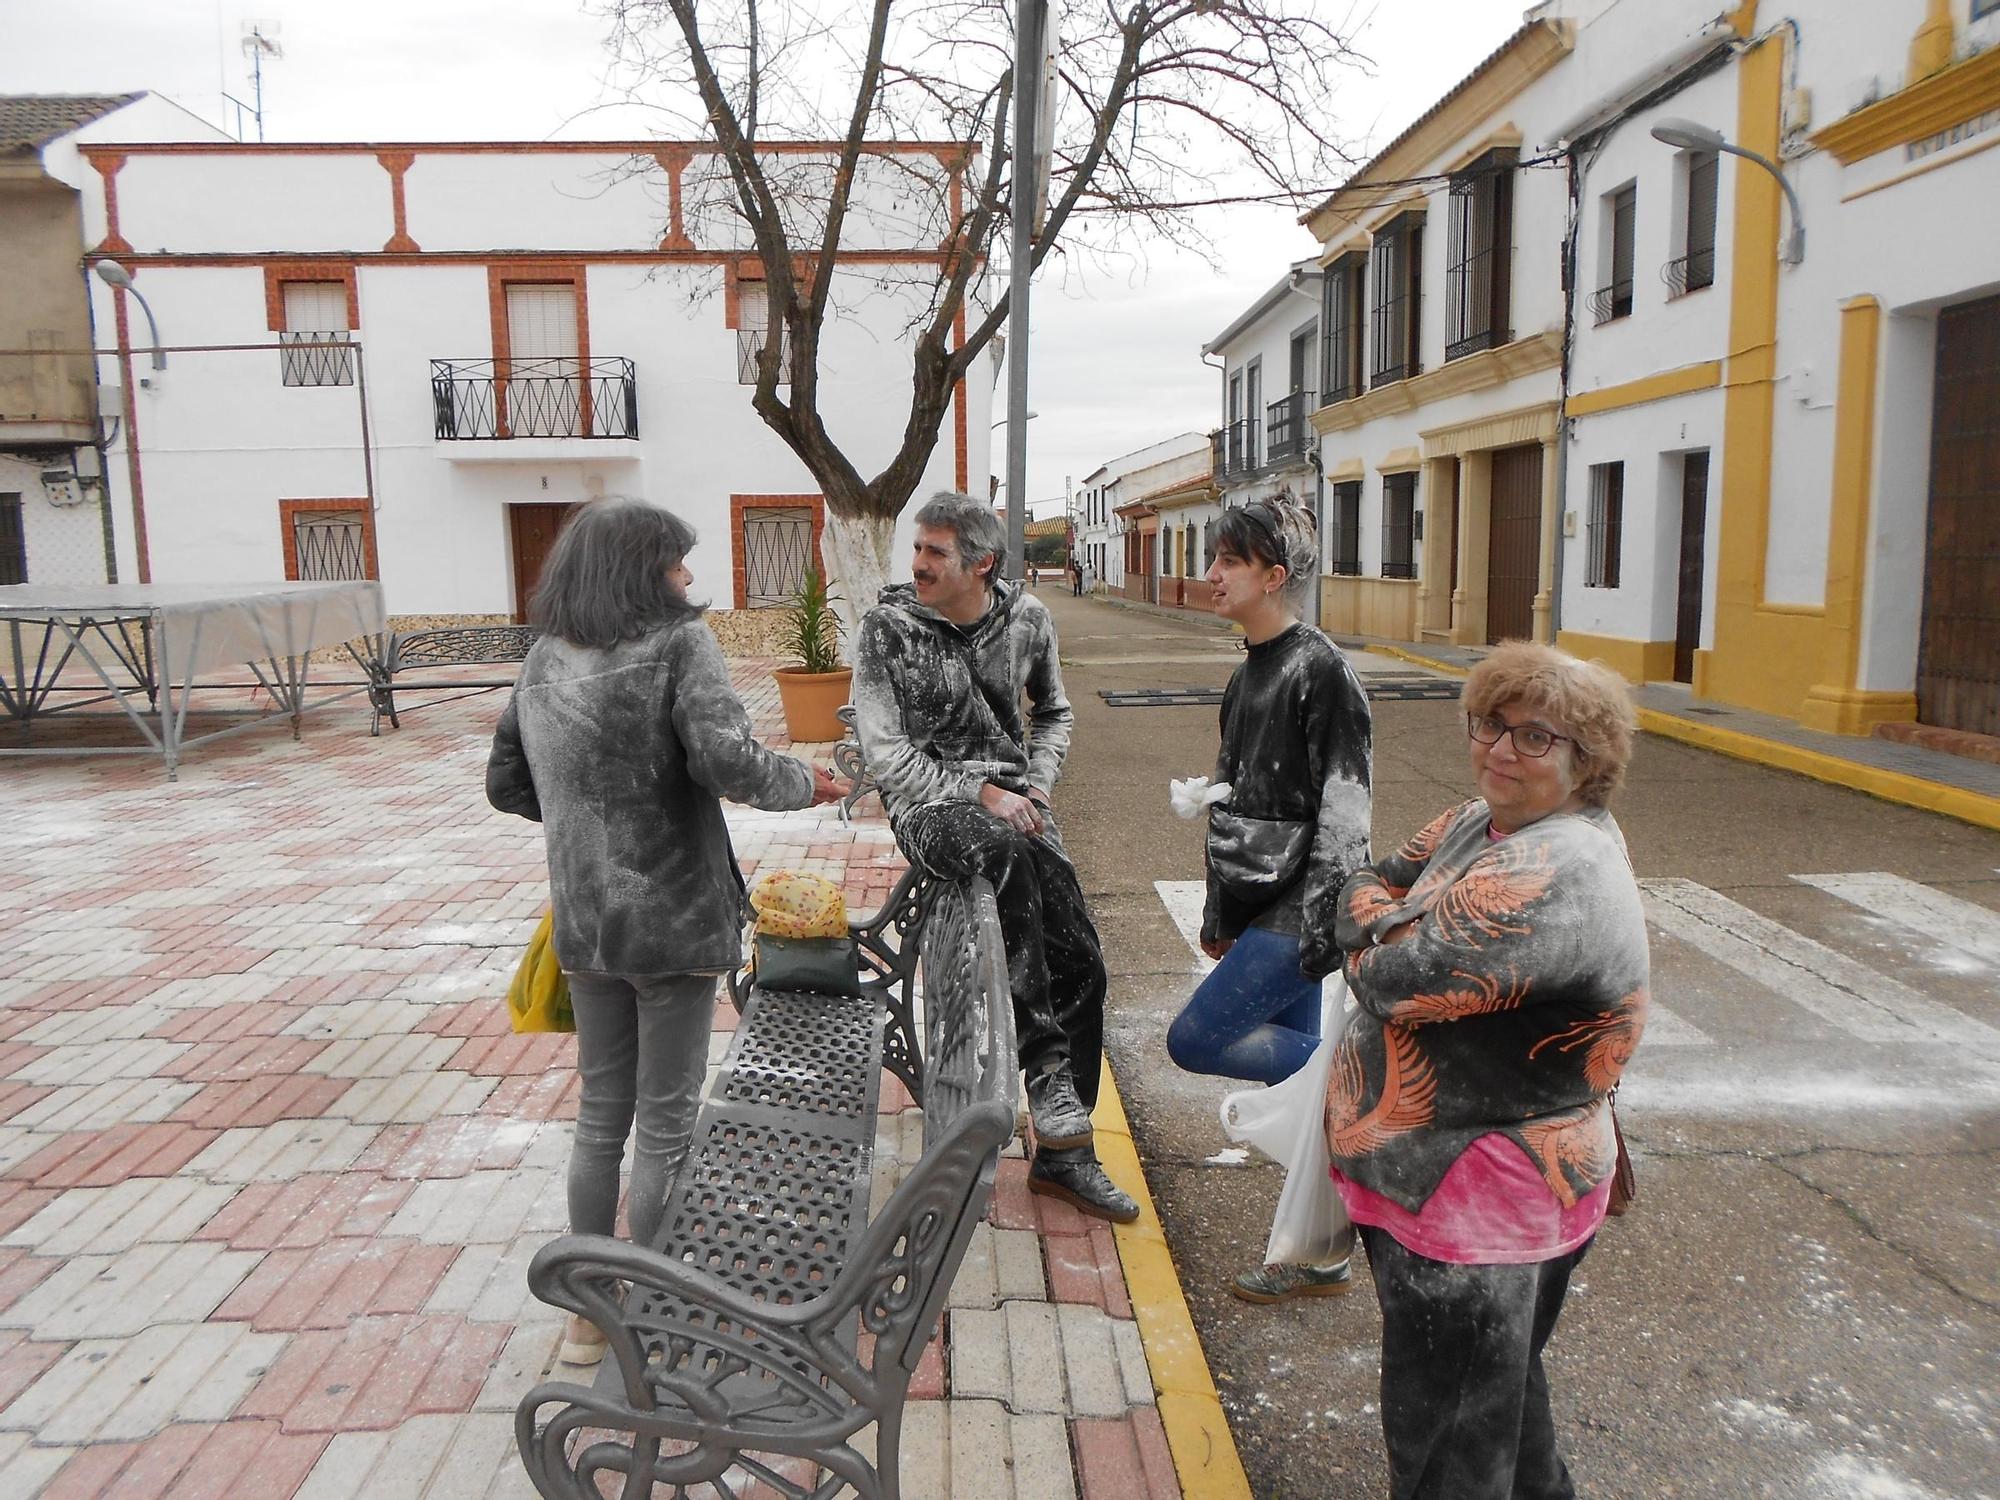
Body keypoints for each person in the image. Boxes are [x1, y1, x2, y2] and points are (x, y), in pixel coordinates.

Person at [486, 498, 845, 1365]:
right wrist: (808, 782)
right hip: (673, 918)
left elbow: (506, 782)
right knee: (669, 1124)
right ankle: (651, 1305)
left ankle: (586, 1312)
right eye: (678, 563)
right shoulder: (678, 643)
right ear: (643, 571)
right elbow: (726, 761)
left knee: (601, 1115)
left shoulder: (544, 659)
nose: (690, 578)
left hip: (587, 922)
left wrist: (583, 822)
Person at [1329, 641, 1650, 1500]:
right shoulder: (1480, 822)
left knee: (1445, 1439)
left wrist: (1372, 930)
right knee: (1495, 1393)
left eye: (1535, 738)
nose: (1501, 751)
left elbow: (1388, 980)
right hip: (1447, 1179)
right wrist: (1376, 917)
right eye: (1491, 725)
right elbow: (1364, 883)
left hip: (1483, 1192)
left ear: (1588, 761)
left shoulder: (1556, 867)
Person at [852, 491, 1138, 1222]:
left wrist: (1034, 788)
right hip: (931, 807)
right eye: (917, 548)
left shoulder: (1028, 620)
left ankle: (1066, 1157)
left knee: (1083, 959)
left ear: (980, 564)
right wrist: (981, 793)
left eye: (934, 553)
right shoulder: (888, 630)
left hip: (1017, 806)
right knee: (1006, 854)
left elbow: (1055, 713)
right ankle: (1045, 1067)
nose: (918, 564)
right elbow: (887, 756)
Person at [1167, 495, 1373, 1304]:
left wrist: (1324, 931)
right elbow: (1230, 796)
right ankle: (1320, 1251)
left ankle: (1355, 1090)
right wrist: (1224, 916)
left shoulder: (1321, 670)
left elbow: (1348, 813)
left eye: (1229, 562)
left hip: (1305, 912)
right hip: (1261, 903)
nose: (1211, 575)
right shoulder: (1248, 669)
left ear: (1275, 575)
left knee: (1195, 1039)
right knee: (1288, 1085)